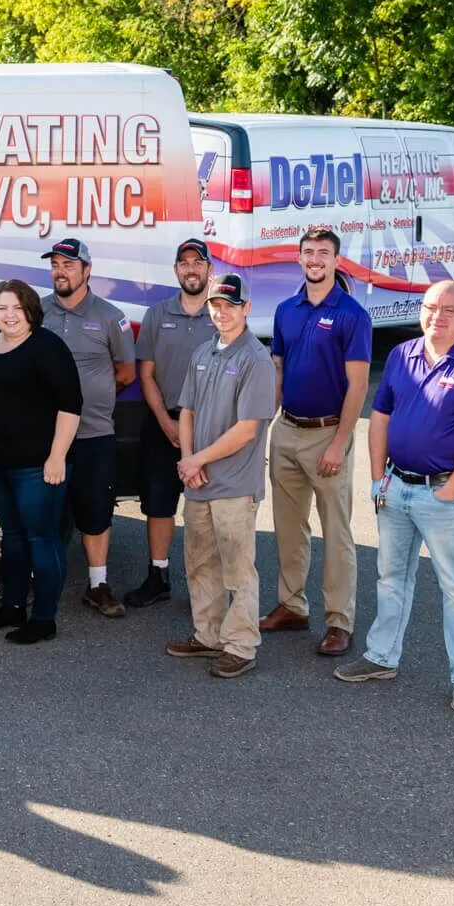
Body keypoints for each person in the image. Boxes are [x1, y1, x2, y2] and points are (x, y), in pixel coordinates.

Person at [335, 281, 454, 714]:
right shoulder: (401, 355)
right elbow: (380, 417)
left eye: (450, 310)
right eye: (431, 307)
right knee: (391, 578)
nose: (438, 317)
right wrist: (378, 478)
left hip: (443, 494)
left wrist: (452, 489)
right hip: (396, 488)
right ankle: (381, 657)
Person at [263, 227, 372, 657]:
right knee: (289, 528)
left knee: (336, 531)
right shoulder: (286, 309)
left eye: (323, 253)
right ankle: (292, 605)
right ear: (299, 257)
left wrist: (339, 442)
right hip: (287, 430)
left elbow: (358, 386)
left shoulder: (352, 315)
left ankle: (339, 620)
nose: (315, 260)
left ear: (336, 261)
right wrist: (265, 428)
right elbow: (277, 370)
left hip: (328, 433)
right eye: (308, 252)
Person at [165, 273, 277, 678]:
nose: (221, 312)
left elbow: (248, 428)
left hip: (233, 485)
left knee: (237, 569)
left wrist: (196, 462)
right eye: (216, 305)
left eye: (230, 305)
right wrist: (189, 457)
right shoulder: (203, 351)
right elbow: (187, 411)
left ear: (247, 309)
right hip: (199, 482)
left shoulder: (256, 359)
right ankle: (207, 635)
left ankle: (241, 645)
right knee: (199, 563)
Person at [0, 281, 82, 644]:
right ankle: (13, 606)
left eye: (17, 308)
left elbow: (71, 405)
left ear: (31, 310)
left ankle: (44, 618)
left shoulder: (48, 347)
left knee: (40, 538)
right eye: (2, 308)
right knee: (13, 538)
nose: (9, 316)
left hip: (37, 466)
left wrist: (57, 457)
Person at [39, 238, 136, 617]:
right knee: (47, 513)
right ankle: (42, 582)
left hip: (94, 433)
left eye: (68, 265)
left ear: (87, 271)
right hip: (45, 437)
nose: (60, 271)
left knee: (95, 511)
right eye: (55, 265)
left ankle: (98, 585)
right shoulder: (37, 312)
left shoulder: (112, 317)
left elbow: (126, 372)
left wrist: (88, 396)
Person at [128, 239, 219, 609]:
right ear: (176, 269)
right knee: (159, 504)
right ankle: (158, 575)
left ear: (210, 269)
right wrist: (166, 421)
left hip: (210, 429)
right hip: (162, 423)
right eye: (185, 262)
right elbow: (145, 374)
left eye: (198, 262)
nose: (191, 269)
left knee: (206, 508)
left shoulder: (222, 315)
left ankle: (208, 585)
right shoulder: (156, 314)